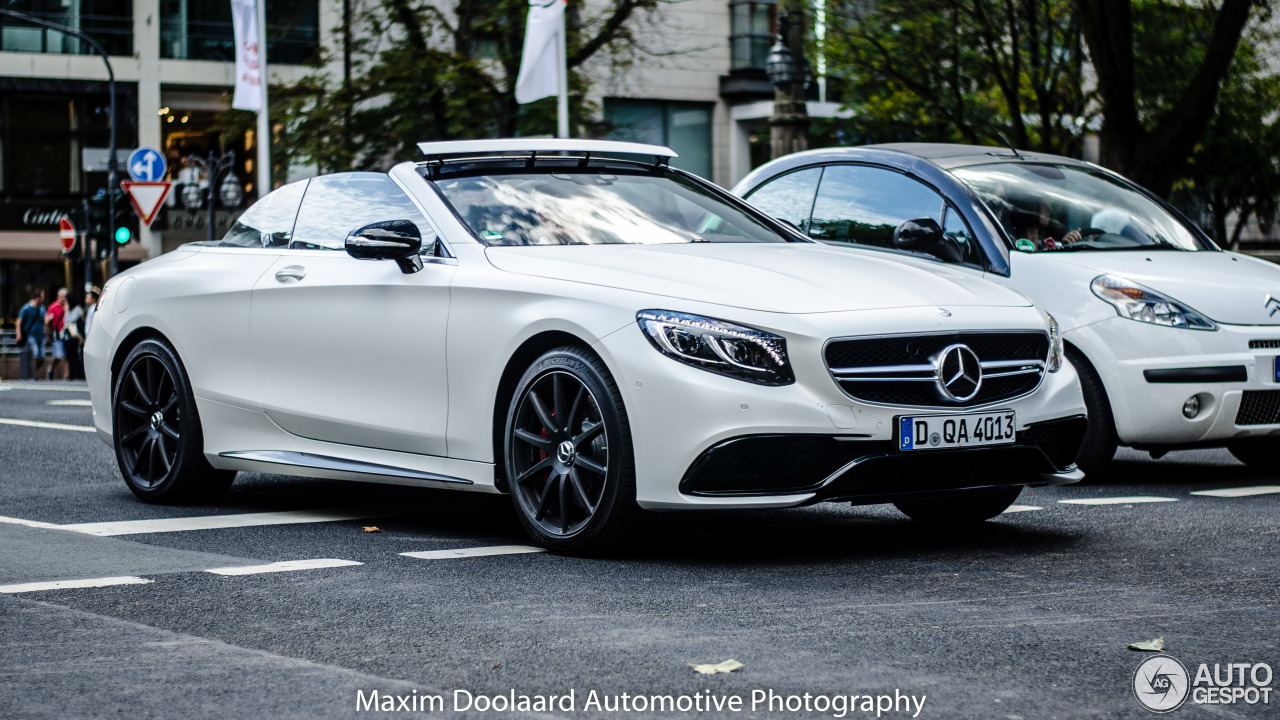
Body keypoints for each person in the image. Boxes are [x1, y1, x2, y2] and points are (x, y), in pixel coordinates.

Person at [15, 290, 46, 380]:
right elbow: (19, 322)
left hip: (41, 335)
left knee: (43, 357)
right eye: (42, 296)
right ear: (37, 298)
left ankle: (35, 372)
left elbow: (45, 320)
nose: (43, 298)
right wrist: (18, 334)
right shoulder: (26, 308)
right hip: (31, 334)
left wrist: (47, 328)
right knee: (35, 354)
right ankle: (35, 375)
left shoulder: (42, 308)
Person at [45, 287, 68, 380]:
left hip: (66, 333)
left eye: (65, 297)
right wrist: (48, 334)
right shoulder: (53, 307)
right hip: (57, 334)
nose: (63, 299)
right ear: (58, 297)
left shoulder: (68, 307)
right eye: (62, 296)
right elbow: (47, 322)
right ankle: (51, 368)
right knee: (58, 356)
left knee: (66, 355)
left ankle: (66, 376)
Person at [64, 294, 86, 381]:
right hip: (68, 336)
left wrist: (66, 311)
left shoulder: (77, 309)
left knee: (75, 356)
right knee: (69, 356)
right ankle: (71, 373)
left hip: (75, 336)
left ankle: (77, 374)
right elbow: (65, 320)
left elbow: (70, 320)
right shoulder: (69, 309)